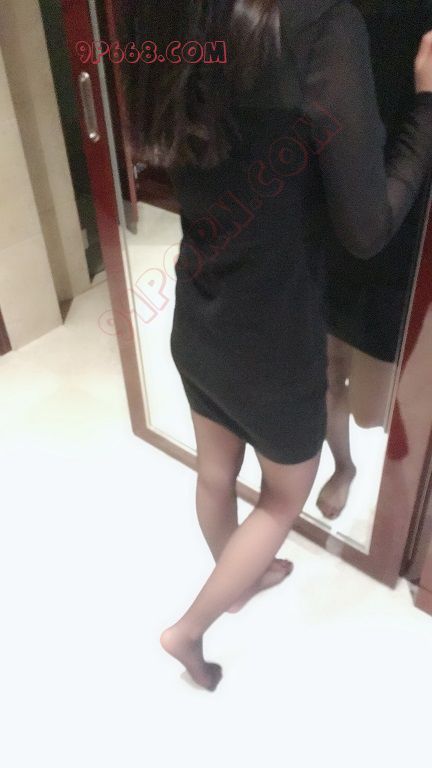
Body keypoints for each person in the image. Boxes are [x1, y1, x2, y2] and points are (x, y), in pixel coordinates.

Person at [122, 0, 432, 691]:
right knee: (284, 495)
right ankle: (190, 629)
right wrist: (427, 107)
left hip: (200, 312)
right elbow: (367, 228)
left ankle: (242, 573)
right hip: (274, 338)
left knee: (214, 471)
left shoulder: (174, 14)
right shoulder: (321, 23)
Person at [318, 0, 432, 521]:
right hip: (337, 187)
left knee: (385, 400)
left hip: (413, 208)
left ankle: (400, 499)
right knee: (329, 372)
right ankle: (343, 465)